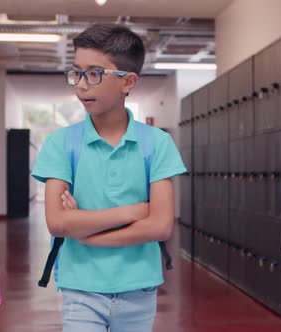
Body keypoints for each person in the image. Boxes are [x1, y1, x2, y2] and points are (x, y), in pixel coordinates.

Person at [32, 23, 186, 332]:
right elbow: (58, 222)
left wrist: (88, 232)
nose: (81, 85)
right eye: (77, 73)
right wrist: (132, 212)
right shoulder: (60, 144)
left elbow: (160, 225)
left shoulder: (157, 144)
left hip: (139, 287)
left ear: (128, 82)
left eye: (94, 73)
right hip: (81, 287)